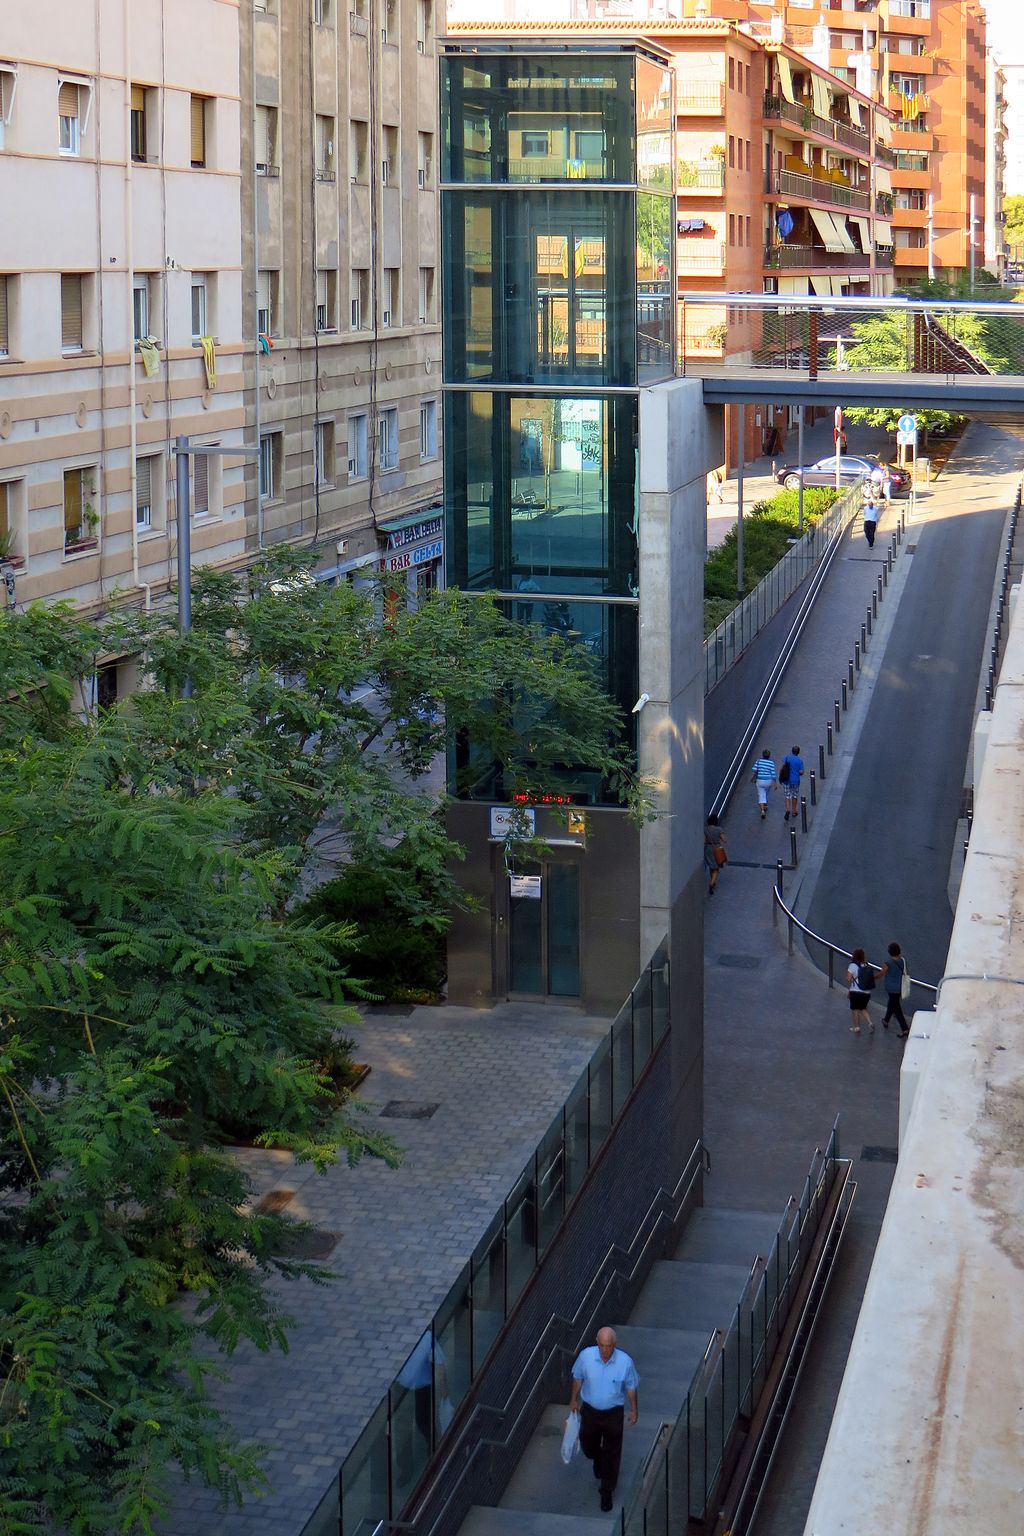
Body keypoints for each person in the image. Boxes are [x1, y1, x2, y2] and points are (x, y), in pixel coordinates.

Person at [569, 1326, 639, 1513]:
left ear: (614, 1345)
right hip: (590, 1411)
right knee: (588, 1446)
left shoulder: (625, 1362)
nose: (605, 1350)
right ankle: (597, 1457)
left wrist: (634, 1410)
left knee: (612, 1452)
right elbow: (578, 1378)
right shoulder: (586, 1357)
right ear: (597, 1343)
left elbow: (631, 1387)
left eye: (608, 1346)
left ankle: (607, 1490)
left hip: (613, 1413)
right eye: (601, 1345)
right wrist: (573, 1400)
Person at [880, 941, 910, 1038]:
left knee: (897, 1009)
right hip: (899, 987)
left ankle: (905, 1028)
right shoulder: (902, 961)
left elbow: (881, 973)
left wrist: (872, 978)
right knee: (892, 1004)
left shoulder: (888, 963)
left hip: (891, 988)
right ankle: (886, 1020)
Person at [846, 947, 878, 1035]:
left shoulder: (852, 965)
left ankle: (856, 1027)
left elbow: (848, 978)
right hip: (866, 992)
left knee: (855, 1009)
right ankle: (870, 1022)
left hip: (856, 991)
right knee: (863, 1008)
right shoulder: (866, 965)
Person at [750, 747, 777, 821]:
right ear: (769, 756)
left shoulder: (759, 761)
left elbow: (755, 770)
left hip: (760, 780)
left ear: (763, 755)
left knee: (761, 794)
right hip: (768, 781)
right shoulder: (771, 763)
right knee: (765, 792)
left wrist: (753, 778)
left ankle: (762, 810)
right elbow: (773, 774)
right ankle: (765, 804)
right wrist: (775, 783)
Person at [704, 812, 727, 896]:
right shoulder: (719, 829)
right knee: (716, 868)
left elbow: (705, 841)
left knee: (711, 866)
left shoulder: (706, 829)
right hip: (717, 849)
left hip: (708, 849)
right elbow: (724, 840)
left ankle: (712, 881)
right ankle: (711, 883)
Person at [781, 745, 804, 823]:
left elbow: (782, 766)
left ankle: (787, 810)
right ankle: (794, 810)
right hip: (795, 781)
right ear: (798, 752)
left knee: (787, 795)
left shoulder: (787, 757)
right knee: (794, 795)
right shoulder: (800, 761)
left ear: (792, 751)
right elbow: (801, 772)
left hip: (787, 780)